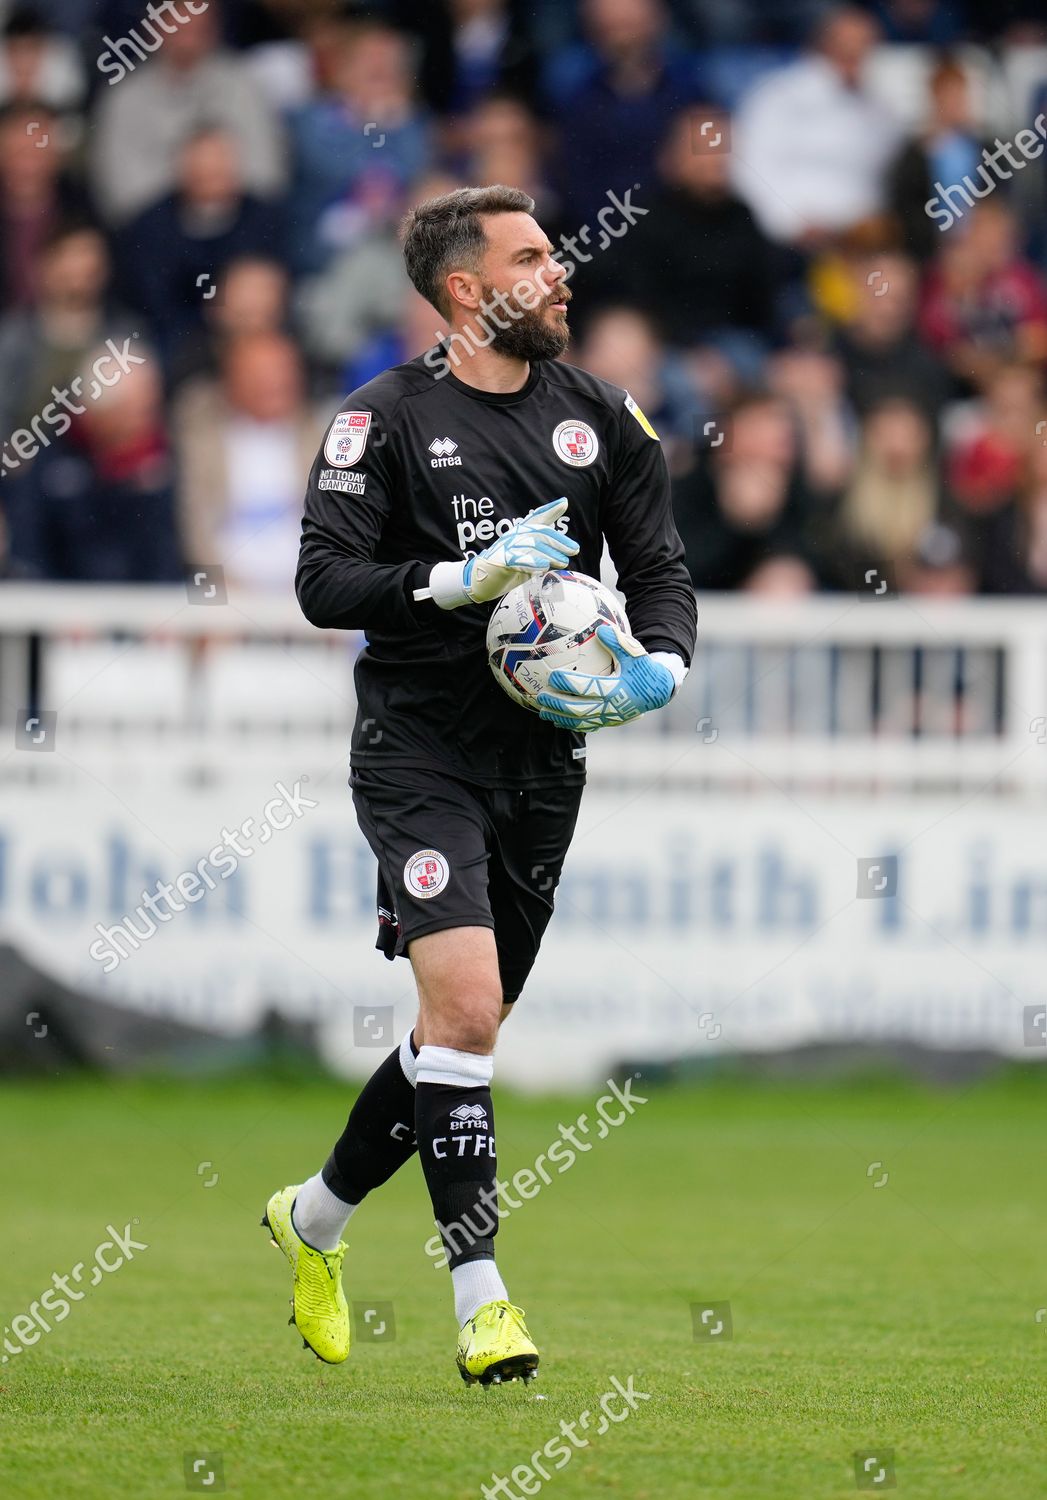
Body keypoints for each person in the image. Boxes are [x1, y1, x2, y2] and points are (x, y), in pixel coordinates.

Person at [263, 184, 697, 1386]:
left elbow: (659, 567)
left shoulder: (604, 416)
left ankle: (313, 1221)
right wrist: (457, 582)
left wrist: (662, 660)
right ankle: (482, 1298)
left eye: (552, 252)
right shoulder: (382, 421)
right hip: (418, 749)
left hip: (542, 764)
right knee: (462, 1013)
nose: (559, 272)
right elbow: (321, 582)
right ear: (466, 289)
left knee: (460, 1031)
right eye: (531, 257)